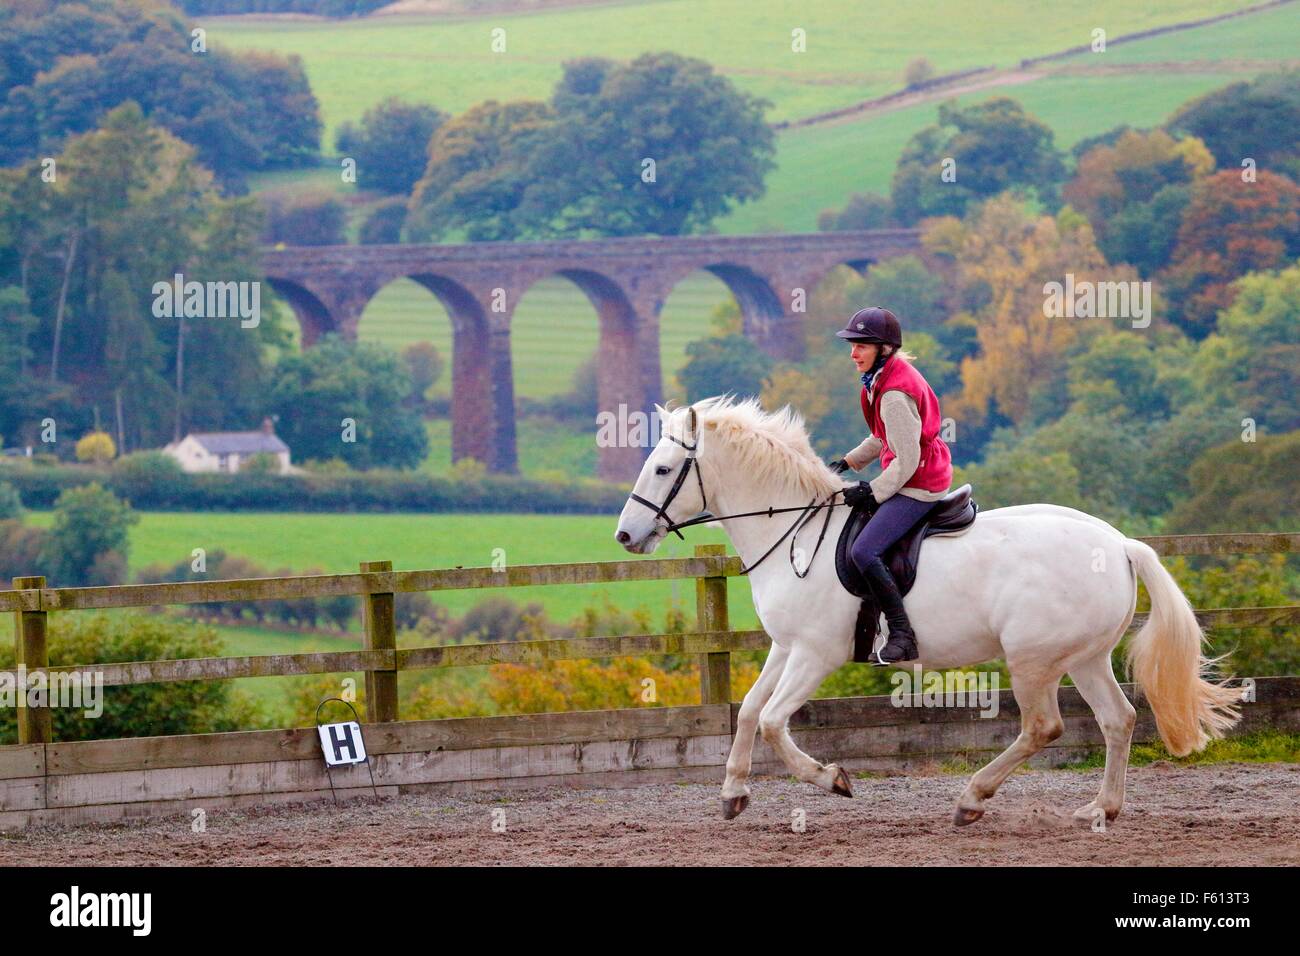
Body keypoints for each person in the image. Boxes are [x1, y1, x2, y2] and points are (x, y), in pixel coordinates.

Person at [827, 307, 953, 665]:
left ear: (883, 349)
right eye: (852, 345)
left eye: (862, 346)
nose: (853, 353)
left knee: (863, 551)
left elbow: (907, 459)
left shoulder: (894, 393)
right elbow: (882, 436)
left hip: (918, 482)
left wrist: (872, 490)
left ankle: (901, 634)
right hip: (909, 472)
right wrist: (848, 462)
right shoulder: (881, 378)